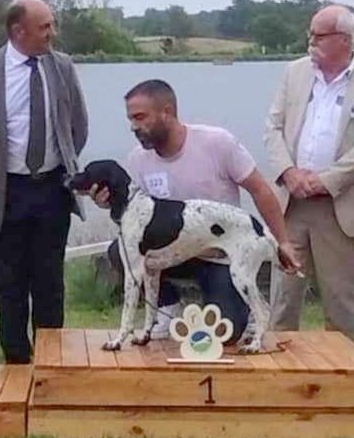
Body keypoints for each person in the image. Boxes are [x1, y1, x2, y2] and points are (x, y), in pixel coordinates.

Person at [93, 79, 301, 342]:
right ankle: (166, 311)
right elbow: (135, 222)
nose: (133, 126)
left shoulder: (218, 143)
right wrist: (109, 203)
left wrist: (282, 241)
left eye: (140, 117)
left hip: (220, 253)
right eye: (130, 119)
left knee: (226, 334)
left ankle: (242, 310)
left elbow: (260, 190)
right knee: (118, 249)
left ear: (167, 112)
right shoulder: (137, 160)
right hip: (172, 253)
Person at [0, 0, 88, 363]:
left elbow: (77, 127)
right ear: (19, 31)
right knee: (9, 284)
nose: (52, 33)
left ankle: (51, 364)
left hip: (51, 189)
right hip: (6, 193)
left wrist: (59, 164)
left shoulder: (62, 67)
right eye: (45, 26)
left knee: (50, 283)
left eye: (51, 25)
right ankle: (16, 365)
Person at [264, 4, 354, 346]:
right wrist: (289, 172)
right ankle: (278, 377)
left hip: (341, 207)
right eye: (311, 33)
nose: (310, 41)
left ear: (344, 40)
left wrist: (327, 180)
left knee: (341, 302)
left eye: (318, 35)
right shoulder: (294, 73)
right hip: (291, 203)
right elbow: (273, 127)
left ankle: (351, 381)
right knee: (282, 298)